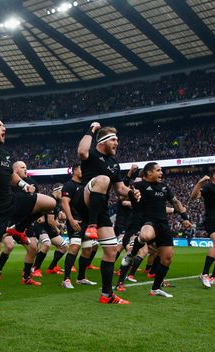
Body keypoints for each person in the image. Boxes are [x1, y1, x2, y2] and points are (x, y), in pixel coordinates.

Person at [0, 104, 56, 321]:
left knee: (50, 202)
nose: (4, 128)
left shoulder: (4, 156)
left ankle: (18, 228)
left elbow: (10, 176)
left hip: (13, 201)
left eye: (4, 126)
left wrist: (24, 185)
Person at [76, 122, 139, 304]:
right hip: (84, 198)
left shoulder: (114, 164)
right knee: (103, 179)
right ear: (103, 141)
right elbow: (81, 152)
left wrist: (132, 192)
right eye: (114, 139)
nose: (117, 143)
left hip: (100, 207)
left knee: (111, 251)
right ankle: (91, 225)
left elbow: (120, 189)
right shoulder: (91, 153)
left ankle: (106, 295)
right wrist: (91, 129)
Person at [116, 163, 191, 298]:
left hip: (163, 224)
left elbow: (175, 202)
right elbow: (121, 197)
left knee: (167, 257)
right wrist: (131, 192)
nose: (161, 172)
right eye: (158, 170)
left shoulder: (164, 187)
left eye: (161, 170)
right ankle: (121, 280)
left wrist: (185, 217)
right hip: (143, 222)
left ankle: (155, 289)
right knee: (145, 236)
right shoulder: (138, 185)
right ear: (149, 172)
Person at [191, 168, 215, 288]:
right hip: (211, 220)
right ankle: (205, 274)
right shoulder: (208, 187)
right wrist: (200, 182)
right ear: (214, 176)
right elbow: (193, 197)